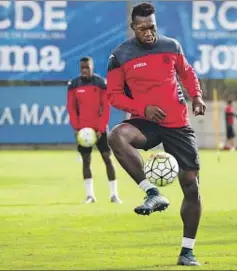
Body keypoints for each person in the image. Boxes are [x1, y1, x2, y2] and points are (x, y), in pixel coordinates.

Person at [105, 3, 205, 266]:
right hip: (144, 121)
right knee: (116, 136)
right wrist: (143, 109)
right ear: (133, 27)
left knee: (191, 187)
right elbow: (113, 95)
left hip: (177, 124)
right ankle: (151, 192)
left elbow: (187, 73)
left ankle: (187, 251)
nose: (149, 33)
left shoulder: (171, 46)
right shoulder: (120, 55)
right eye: (142, 28)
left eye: (152, 27)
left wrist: (196, 96)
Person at [67, 57, 122, 204]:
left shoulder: (101, 83)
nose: (84, 70)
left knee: (107, 158)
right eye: (82, 68)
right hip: (83, 131)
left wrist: (100, 128)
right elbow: (71, 108)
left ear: (92, 66)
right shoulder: (73, 85)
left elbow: (105, 107)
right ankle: (90, 195)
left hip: (100, 129)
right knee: (86, 161)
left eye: (87, 67)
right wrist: (77, 128)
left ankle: (114, 195)